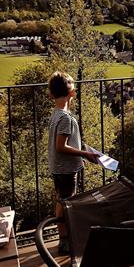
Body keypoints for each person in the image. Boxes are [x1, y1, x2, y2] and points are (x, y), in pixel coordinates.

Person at [47, 71, 98, 254]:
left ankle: (64, 238)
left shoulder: (55, 114)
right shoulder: (65, 118)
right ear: (73, 93)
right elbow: (61, 146)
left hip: (57, 166)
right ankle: (66, 240)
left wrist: (84, 148)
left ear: (51, 94)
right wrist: (85, 154)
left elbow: (64, 144)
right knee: (67, 202)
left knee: (61, 200)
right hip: (66, 168)